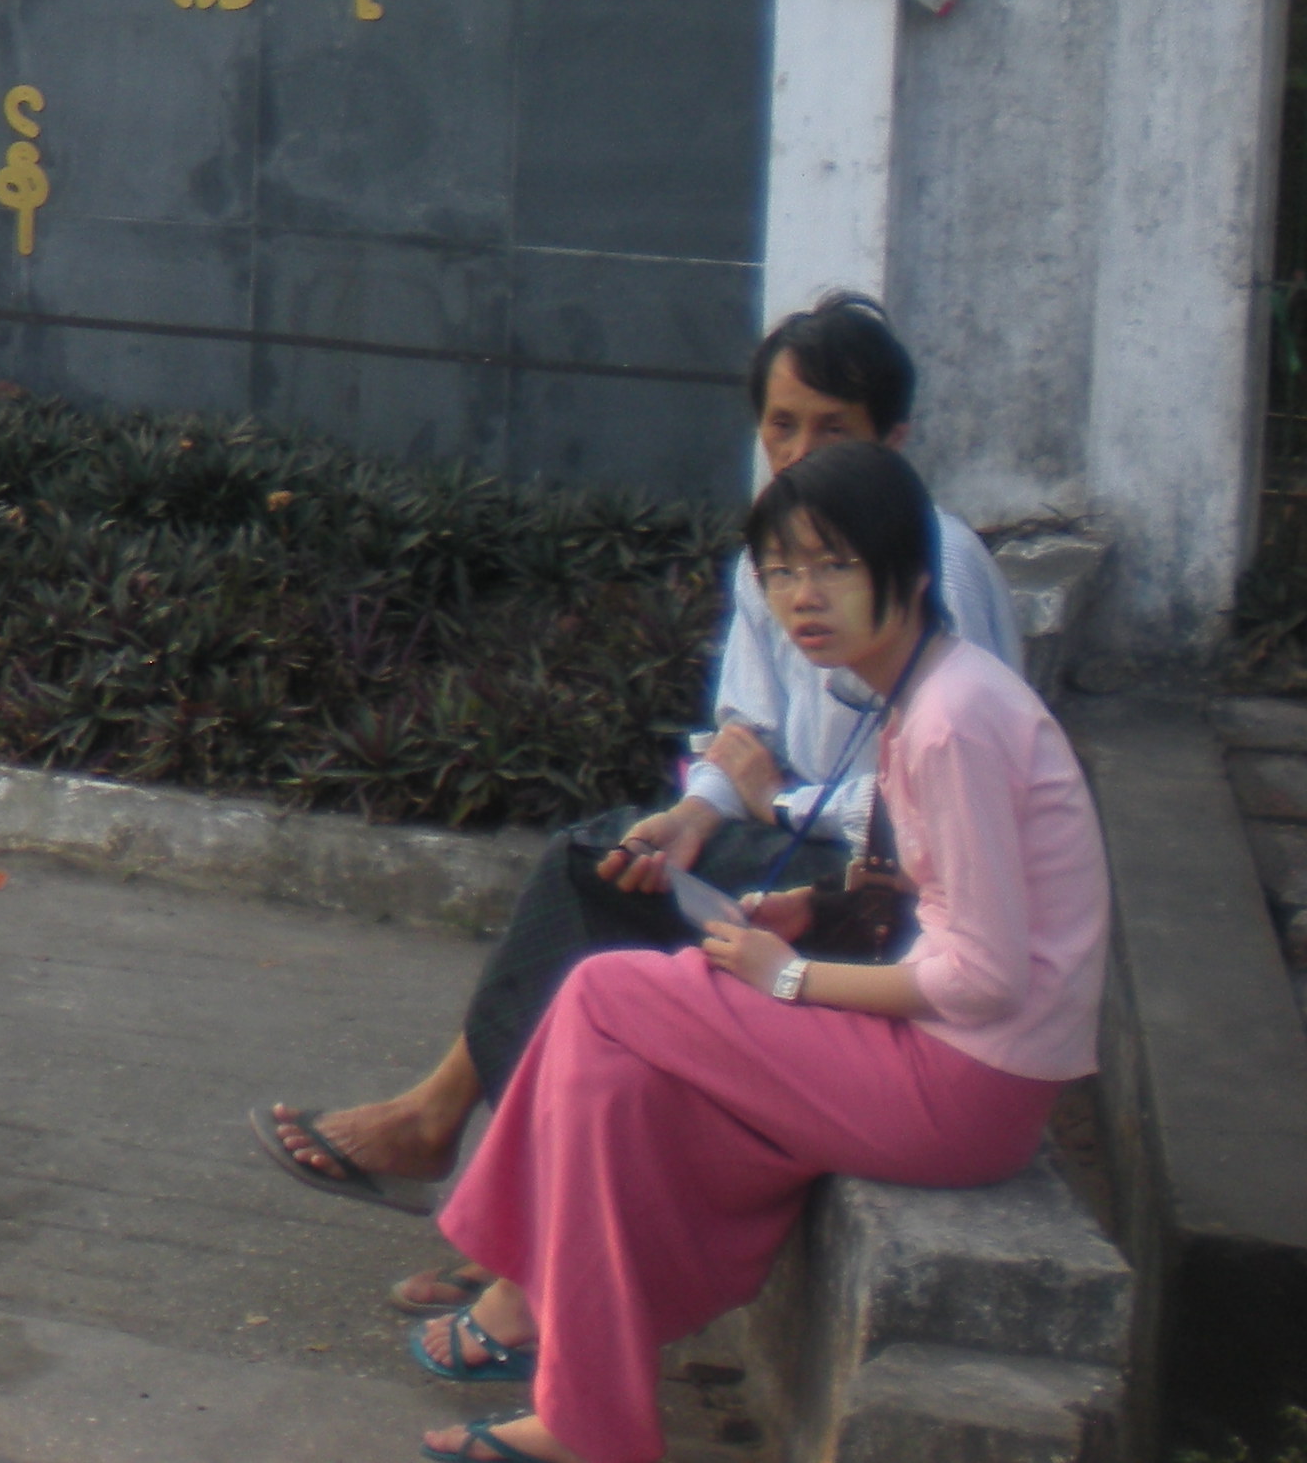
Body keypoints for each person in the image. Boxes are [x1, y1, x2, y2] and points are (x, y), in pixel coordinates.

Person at [251, 296, 1021, 1309]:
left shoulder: (935, 562)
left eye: (832, 430)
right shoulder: (773, 555)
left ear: (895, 440)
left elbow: (943, 802)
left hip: (893, 903)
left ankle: (472, 1166)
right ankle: (500, 1192)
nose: (798, 453)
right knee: (620, 859)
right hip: (795, 844)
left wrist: (775, 801)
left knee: (589, 880)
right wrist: (697, 815)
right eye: (780, 426)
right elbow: (741, 735)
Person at [402, 439, 1107, 1463]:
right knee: (619, 1081)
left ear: (910, 574)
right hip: (969, 1074)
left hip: (965, 1089)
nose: (801, 598)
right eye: (781, 572)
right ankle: (580, 1399)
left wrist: (785, 977)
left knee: (605, 993)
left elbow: (988, 976)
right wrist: (815, 910)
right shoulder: (925, 697)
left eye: (833, 567)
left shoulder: (952, 720)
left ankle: (516, 1278)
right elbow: (955, 891)